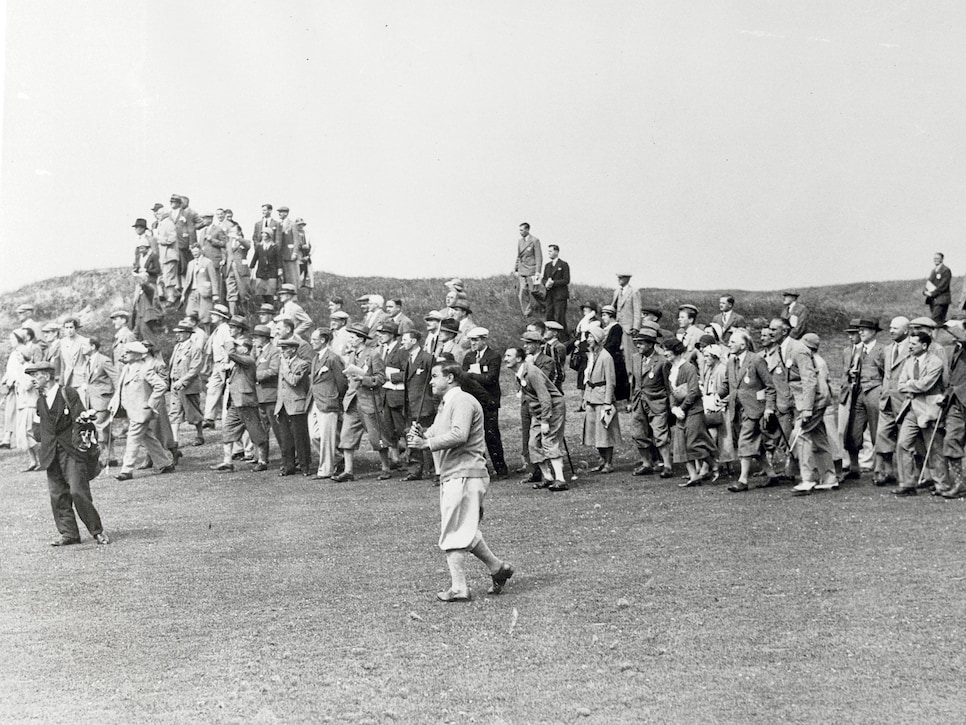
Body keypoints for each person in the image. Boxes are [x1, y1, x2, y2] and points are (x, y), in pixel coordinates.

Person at [408, 360, 514, 602]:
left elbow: (459, 434)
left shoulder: (463, 401)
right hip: (454, 473)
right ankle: (498, 568)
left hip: (466, 473)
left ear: (451, 378)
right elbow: (435, 432)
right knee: (463, 527)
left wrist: (427, 444)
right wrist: (421, 434)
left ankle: (459, 587)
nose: (431, 381)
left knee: (453, 530)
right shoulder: (446, 404)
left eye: (435, 376)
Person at [26, 360, 109, 546]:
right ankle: (69, 534)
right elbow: (37, 430)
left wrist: (86, 420)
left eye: (35, 375)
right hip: (50, 455)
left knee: (78, 491)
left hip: (71, 452)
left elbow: (81, 419)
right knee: (58, 496)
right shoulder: (40, 400)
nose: (32, 379)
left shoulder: (68, 393)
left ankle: (97, 531)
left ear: (46, 376)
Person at [717, 330, 778, 492]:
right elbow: (727, 384)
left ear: (742, 345)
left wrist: (769, 408)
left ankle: (743, 480)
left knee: (745, 442)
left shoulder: (756, 360)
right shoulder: (731, 361)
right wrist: (717, 395)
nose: (729, 344)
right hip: (736, 409)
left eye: (732, 342)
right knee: (756, 446)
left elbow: (770, 387)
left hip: (754, 410)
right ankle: (772, 475)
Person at [109, 342, 176, 481]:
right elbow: (120, 389)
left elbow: (161, 385)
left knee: (132, 439)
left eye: (128, 352)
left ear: (137, 355)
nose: (124, 354)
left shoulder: (144, 369)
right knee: (148, 437)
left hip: (141, 411)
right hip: (132, 410)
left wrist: (151, 403)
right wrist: (113, 402)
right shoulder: (127, 368)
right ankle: (165, 463)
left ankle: (126, 470)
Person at [335, 324, 392, 481]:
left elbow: (381, 378)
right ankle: (348, 471)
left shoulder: (374, 355)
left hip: (369, 401)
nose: (350, 340)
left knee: (376, 436)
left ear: (361, 339)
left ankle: (386, 467)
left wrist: (364, 379)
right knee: (347, 435)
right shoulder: (353, 355)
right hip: (352, 401)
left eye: (353, 337)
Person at [505, 347, 568, 490]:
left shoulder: (532, 372)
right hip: (537, 411)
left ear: (519, 359)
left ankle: (560, 479)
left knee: (548, 441)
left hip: (552, 409)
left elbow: (545, 398)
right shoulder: (519, 373)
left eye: (509, 355)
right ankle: (547, 477)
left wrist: (545, 420)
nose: (505, 359)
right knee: (533, 443)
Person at [894, 330, 947, 496]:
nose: (909, 346)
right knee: (903, 444)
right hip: (911, 408)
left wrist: (911, 384)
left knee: (935, 448)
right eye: (909, 343)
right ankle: (907, 484)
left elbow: (926, 385)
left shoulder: (935, 362)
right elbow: (900, 385)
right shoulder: (909, 362)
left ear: (924, 345)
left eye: (913, 344)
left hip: (930, 409)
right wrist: (911, 385)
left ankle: (941, 485)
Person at [212, 336, 270, 473]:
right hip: (235, 402)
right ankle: (227, 462)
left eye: (239, 346)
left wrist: (227, 340)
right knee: (227, 430)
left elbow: (231, 354)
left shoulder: (248, 360)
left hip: (246, 402)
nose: (236, 348)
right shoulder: (240, 362)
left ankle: (262, 460)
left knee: (255, 431)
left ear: (245, 349)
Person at [665, 338, 716, 486]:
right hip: (680, 412)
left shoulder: (688, 368)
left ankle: (714, 464)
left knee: (694, 443)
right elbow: (672, 392)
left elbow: (693, 392)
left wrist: (682, 408)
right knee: (680, 444)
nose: (665, 353)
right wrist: (674, 408)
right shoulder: (671, 369)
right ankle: (694, 476)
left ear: (676, 351)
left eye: (667, 350)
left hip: (693, 410)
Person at [461, 327, 508, 479]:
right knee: (475, 435)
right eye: (471, 340)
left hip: (489, 400)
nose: (472, 343)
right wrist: (474, 376)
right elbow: (463, 377)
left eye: (475, 340)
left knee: (492, 435)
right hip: (473, 400)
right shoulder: (469, 357)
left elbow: (491, 378)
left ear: (484, 340)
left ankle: (501, 469)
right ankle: (482, 468)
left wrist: (471, 375)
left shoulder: (493, 356)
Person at [628, 328, 674, 478]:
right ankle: (646, 463)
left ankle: (667, 465)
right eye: (637, 343)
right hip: (638, 402)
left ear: (650, 344)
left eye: (641, 343)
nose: (638, 346)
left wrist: (671, 406)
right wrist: (631, 400)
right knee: (638, 433)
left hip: (657, 402)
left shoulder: (662, 362)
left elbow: (669, 387)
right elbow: (634, 382)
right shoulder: (635, 358)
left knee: (660, 434)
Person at [842, 319, 884, 480]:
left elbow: (887, 373)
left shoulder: (882, 350)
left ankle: (880, 470)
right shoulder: (858, 350)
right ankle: (854, 467)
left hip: (875, 391)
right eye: (859, 330)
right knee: (853, 429)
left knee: (877, 432)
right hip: (857, 392)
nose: (861, 332)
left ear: (874, 332)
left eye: (865, 330)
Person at [873, 316, 910, 486]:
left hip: (904, 401)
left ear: (906, 330)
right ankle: (886, 471)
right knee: (882, 435)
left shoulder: (912, 348)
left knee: (907, 440)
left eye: (896, 328)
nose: (891, 331)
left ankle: (913, 475)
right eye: (890, 327)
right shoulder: (887, 349)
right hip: (886, 400)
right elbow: (883, 372)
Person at [307, 328, 347, 480]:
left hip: (328, 401)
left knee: (326, 437)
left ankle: (326, 470)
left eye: (314, 339)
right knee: (315, 436)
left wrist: (337, 398)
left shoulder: (333, 358)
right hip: (315, 401)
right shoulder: (316, 358)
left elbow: (342, 382)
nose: (311, 342)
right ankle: (338, 458)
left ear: (323, 340)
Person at [582, 325, 621, 473]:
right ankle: (602, 460)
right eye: (588, 337)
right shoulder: (591, 356)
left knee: (605, 431)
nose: (588, 340)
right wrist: (585, 397)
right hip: (592, 397)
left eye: (591, 337)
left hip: (602, 398)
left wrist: (607, 402)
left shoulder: (606, 357)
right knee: (594, 432)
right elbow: (588, 378)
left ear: (598, 339)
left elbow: (611, 381)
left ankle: (608, 463)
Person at [401, 330, 437, 481]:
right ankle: (415, 470)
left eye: (405, 340)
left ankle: (434, 470)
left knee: (427, 435)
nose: (402, 342)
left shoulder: (427, 358)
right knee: (412, 435)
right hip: (410, 404)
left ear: (414, 341)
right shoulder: (407, 359)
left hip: (425, 404)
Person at [275, 338, 313, 476]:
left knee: (300, 438)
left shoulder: (302, 364)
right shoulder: (283, 364)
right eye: (282, 348)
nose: (283, 351)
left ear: (293, 349)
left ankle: (304, 466)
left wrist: (285, 367)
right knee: (286, 439)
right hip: (283, 405)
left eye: (285, 348)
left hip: (297, 405)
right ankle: (288, 466)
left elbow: (294, 381)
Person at [939, 321, 966, 498]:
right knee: (951, 440)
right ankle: (959, 484)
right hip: (957, 400)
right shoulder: (957, 347)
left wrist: (950, 326)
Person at [168, 322, 205, 449]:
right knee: (174, 412)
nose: (178, 335)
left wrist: (182, 381)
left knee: (193, 412)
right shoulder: (177, 347)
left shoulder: (195, 348)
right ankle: (175, 440)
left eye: (181, 332)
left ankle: (200, 435)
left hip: (189, 386)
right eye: (177, 332)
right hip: (175, 384)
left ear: (188, 334)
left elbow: (195, 369)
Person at [377, 320, 408, 469]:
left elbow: (407, 372)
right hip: (386, 395)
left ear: (392, 335)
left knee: (401, 428)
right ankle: (395, 458)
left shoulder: (401, 351)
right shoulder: (382, 350)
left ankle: (410, 458)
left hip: (397, 395)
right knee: (388, 428)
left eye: (383, 333)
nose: (380, 336)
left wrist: (390, 376)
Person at [252, 325, 281, 464]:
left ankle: (288, 459)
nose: (254, 340)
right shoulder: (257, 352)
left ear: (263, 338)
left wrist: (254, 376)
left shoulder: (274, 351)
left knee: (278, 429)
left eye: (256, 337)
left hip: (270, 395)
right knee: (262, 429)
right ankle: (262, 459)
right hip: (259, 396)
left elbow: (274, 370)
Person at [202, 304, 233, 428]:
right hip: (217, 363)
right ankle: (209, 417)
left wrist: (227, 362)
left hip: (223, 363)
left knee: (227, 390)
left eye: (215, 315)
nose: (212, 316)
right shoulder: (218, 329)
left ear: (221, 317)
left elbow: (229, 347)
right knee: (212, 389)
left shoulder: (225, 329)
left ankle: (227, 419)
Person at [181, 242, 220, 322]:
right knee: (189, 313)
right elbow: (188, 280)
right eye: (193, 252)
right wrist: (183, 294)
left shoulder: (207, 262)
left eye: (196, 251)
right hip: (193, 291)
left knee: (205, 315)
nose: (194, 254)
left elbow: (214, 279)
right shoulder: (191, 263)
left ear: (201, 251)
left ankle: (207, 332)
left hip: (204, 292)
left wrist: (215, 294)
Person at [599, 305, 631, 402]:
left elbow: (614, 343)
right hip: (608, 356)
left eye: (605, 315)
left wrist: (603, 350)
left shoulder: (616, 327)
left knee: (618, 379)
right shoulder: (607, 328)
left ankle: (623, 400)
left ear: (610, 315)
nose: (603, 318)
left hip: (614, 358)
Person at [612, 273, 641, 377]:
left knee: (629, 355)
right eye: (618, 277)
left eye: (621, 277)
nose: (619, 279)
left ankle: (631, 378)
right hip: (617, 326)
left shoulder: (634, 292)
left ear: (628, 278)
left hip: (627, 328)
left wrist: (635, 327)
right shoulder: (617, 291)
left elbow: (637, 311)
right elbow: (614, 308)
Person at [514, 222, 543, 317]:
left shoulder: (535, 240)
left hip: (532, 270)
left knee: (535, 291)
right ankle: (527, 313)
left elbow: (539, 256)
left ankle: (547, 305)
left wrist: (538, 271)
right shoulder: (520, 241)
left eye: (522, 230)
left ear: (527, 229)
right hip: (522, 270)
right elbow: (519, 256)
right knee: (523, 291)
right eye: (520, 230)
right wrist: (516, 268)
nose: (520, 232)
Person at [541, 244, 571, 327]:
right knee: (549, 316)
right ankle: (551, 336)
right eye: (548, 251)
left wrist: (553, 283)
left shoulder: (564, 264)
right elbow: (543, 278)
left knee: (559, 318)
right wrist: (546, 283)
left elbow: (566, 280)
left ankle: (563, 337)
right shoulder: (547, 265)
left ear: (556, 252)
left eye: (551, 251)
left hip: (560, 296)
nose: (549, 253)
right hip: (549, 295)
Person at [250, 230, 280, 304]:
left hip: (271, 272)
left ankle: (270, 306)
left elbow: (279, 259)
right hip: (261, 271)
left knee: (270, 290)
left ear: (270, 235)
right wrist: (251, 267)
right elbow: (255, 258)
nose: (264, 235)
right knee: (261, 290)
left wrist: (280, 269)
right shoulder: (259, 246)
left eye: (266, 234)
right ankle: (264, 305)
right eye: (263, 234)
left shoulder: (275, 247)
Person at [924, 252, 952, 324]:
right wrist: (925, 291)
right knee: (937, 323)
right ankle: (935, 334)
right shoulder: (933, 271)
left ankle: (933, 335)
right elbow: (929, 283)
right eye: (934, 258)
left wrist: (932, 294)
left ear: (942, 259)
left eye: (937, 258)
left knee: (934, 321)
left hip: (942, 300)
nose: (935, 260)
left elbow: (943, 286)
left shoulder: (946, 270)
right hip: (933, 301)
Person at [277, 206, 300, 286]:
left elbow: (296, 240)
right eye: (279, 212)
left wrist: (295, 253)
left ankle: (294, 295)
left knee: (291, 276)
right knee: (282, 277)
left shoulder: (292, 224)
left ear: (286, 213)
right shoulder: (278, 224)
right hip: (280, 254)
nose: (279, 214)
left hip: (289, 254)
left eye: (281, 212)